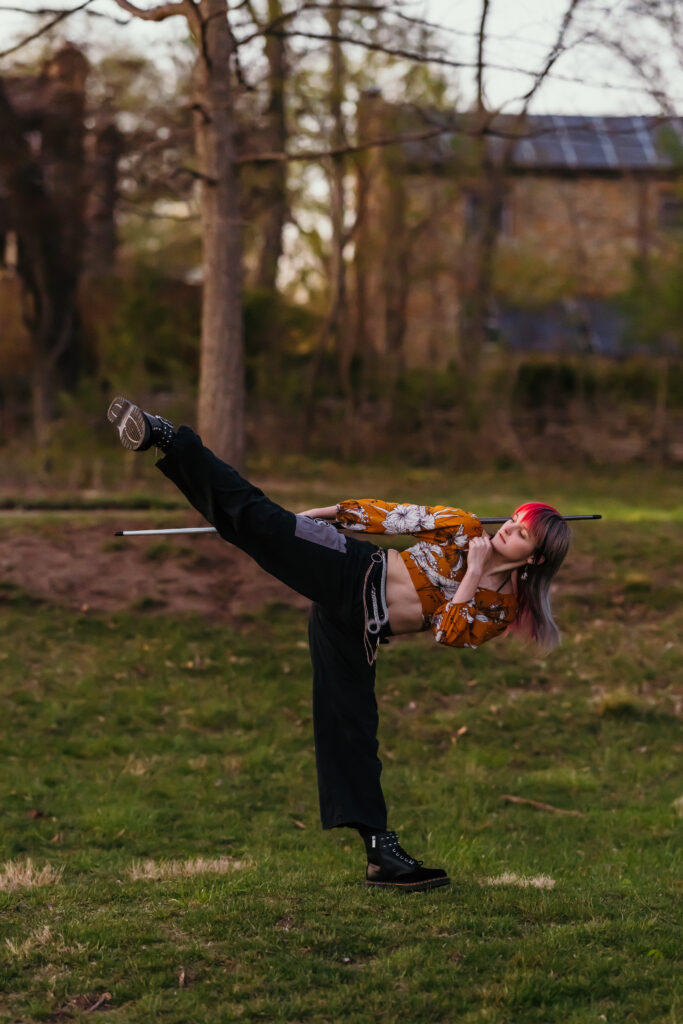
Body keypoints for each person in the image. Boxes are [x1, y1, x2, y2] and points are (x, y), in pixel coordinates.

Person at [107, 396, 571, 893]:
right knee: (258, 521)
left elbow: (449, 633)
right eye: (514, 519)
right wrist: (319, 516)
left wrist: (475, 571)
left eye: (522, 533)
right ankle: (167, 438)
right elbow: (393, 518)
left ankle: (380, 853)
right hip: (352, 571)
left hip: (358, 626)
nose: (508, 529)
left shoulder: (498, 610)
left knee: (351, 728)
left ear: (534, 560)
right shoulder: (461, 526)